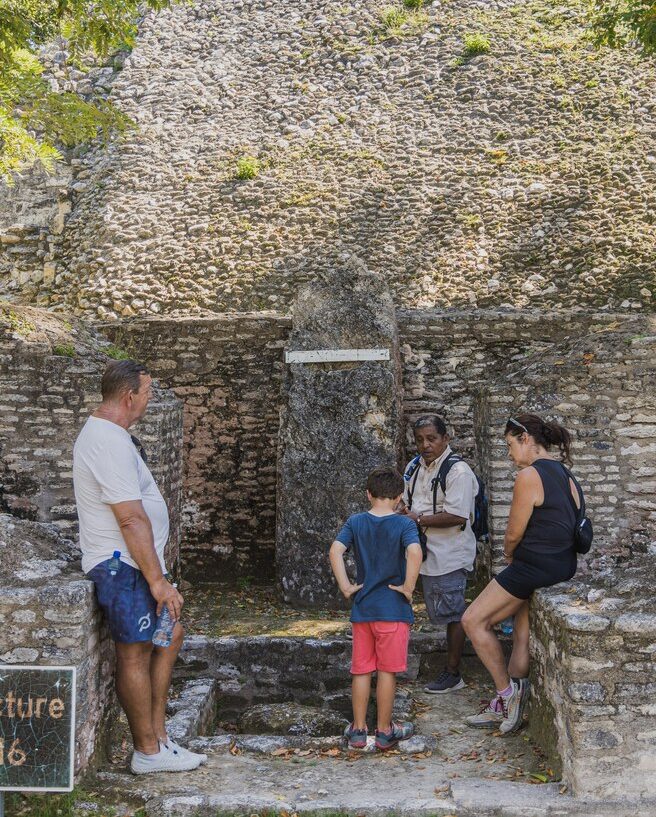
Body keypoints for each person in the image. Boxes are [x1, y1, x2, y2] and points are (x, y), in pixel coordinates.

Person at [73, 360, 206, 774]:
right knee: (134, 653)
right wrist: (157, 580)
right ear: (129, 397)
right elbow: (130, 518)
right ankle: (147, 751)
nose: (149, 399)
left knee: (170, 634)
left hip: (133, 565)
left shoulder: (115, 437)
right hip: (121, 566)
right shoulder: (106, 441)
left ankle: (159, 738)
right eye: (147, 392)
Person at [462, 414, 580, 734]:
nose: (509, 453)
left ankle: (506, 695)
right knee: (522, 635)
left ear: (525, 439)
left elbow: (513, 534)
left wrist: (509, 555)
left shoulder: (529, 475)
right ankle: (513, 698)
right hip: (562, 566)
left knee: (473, 620)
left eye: (509, 445)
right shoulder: (567, 475)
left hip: (534, 566)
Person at [329, 466, 423, 751]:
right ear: (399, 497)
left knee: (361, 669)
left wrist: (346, 587)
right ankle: (384, 730)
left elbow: (335, 550)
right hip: (393, 609)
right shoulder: (405, 525)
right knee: (386, 671)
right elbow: (415, 552)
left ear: (368, 494)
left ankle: (358, 730)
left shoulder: (356, 521)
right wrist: (408, 587)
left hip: (364, 608)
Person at [400, 415, 478, 694]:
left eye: (431, 438)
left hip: (450, 554)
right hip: (422, 552)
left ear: (446, 438)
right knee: (437, 609)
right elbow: (405, 501)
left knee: (453, 613)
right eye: (419, 439)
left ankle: (453, 673)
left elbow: (458, 515)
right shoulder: (414, 467)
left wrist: (417, 519)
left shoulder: (458, 472)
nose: (425, 445)